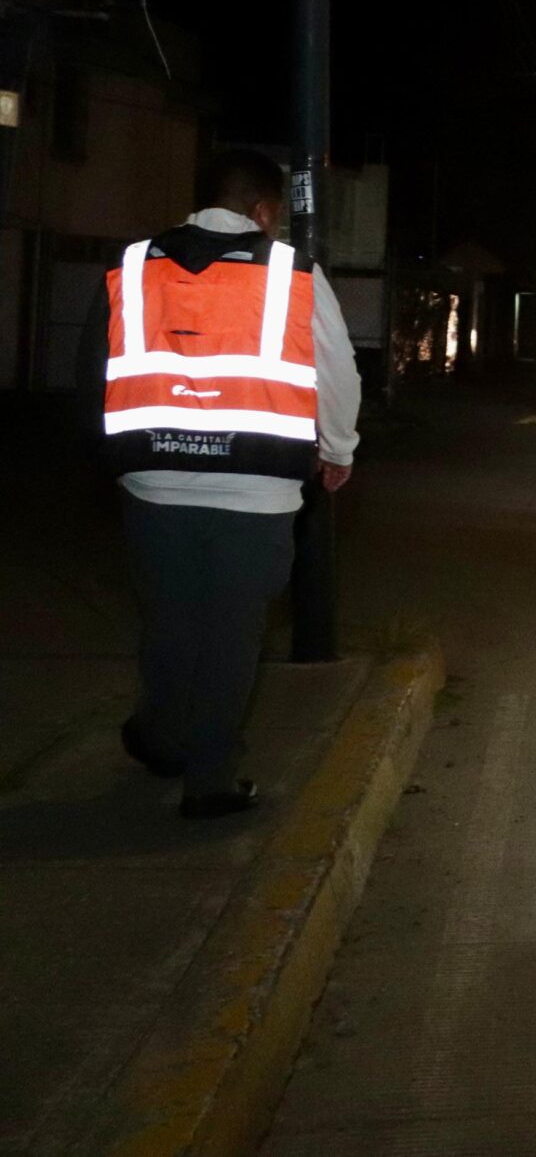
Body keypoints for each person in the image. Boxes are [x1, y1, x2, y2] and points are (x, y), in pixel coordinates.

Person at [95, 148, 360, 818]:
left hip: (152, 481)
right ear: (264, 211)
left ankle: (161, 737)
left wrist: (116, 461)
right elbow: (337, 372)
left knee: (167, 620)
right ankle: (209, 781)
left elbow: (93, 367)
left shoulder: (134, 264)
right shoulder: (294, 273)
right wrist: (338, 450)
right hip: (258, 489)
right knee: (233, 636)